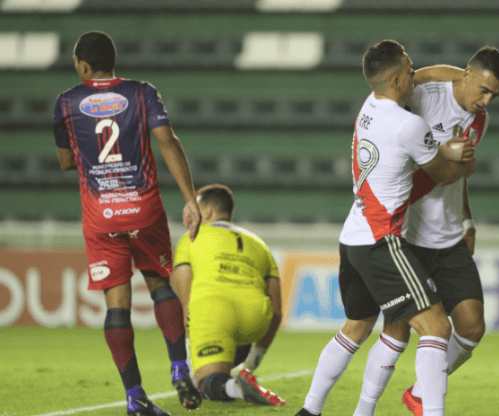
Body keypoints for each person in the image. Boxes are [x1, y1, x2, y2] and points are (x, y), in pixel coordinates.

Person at [295, 39, 475, 416]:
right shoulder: (409, 124)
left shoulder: (369, 107)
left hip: (353, 235)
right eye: (409, 71)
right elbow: (443, 175)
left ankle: (310, 410)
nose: (414, 76)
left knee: (355, 330)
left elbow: (422, 80)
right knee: (437, 327)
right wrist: (462, 160)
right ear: (395, 80)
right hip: (382, 242)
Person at [354, 46, 499, 416]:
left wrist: (466, 217)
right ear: (465, 74)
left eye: (494, 93)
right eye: (483, 89)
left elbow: (455, 179)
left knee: (472, 328)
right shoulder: (422, 99)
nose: (486, 100)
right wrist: (451, 163)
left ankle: (419, 394)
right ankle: (364, 410)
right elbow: (417, 78)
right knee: (396, 332)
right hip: (408, 236)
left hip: (448, 239)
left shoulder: (480, 120)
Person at [53, 31, 202, 416]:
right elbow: (168, 142)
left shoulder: (66, 102)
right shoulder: (142, 92)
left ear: (83, 65)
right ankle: (179, 367)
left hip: (100, 213)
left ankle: (135, 397)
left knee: (116, 306)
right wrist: (190, 200)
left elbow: (67, 162)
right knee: (159, 283)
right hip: (143, 207)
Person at [170, 184, 286, 406]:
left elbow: (185, 301)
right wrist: (252, 363)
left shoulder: (191, 237)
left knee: (205, 384)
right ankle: (242, 374)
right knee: (229, 347)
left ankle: (234, 387)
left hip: (215, 312)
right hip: (255, 319)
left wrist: (188, 356)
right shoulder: (259, 244)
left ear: (207, 212)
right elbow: (277, 311)